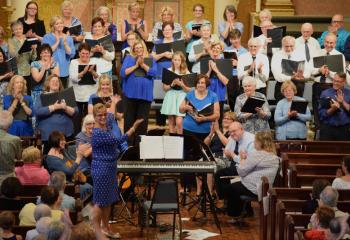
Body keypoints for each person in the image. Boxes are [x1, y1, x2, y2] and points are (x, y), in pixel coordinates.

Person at [91, 103, 143, 240]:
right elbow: (119, 140)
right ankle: (96, 230)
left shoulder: (106, 124)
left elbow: (110, 116)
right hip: (101, 168)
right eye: (99, 115)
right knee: (99, 201)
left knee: (107, 201)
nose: (103, 117)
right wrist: (133, 127)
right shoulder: (98, 133)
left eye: (104, 114)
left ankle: (105, 228)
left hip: (110, 167)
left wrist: (112, 104)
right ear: (94, 117)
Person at [224, 131, 279, 222]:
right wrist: (245, 159)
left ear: (260, 142)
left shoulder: (258, 154)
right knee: (234, 184)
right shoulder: (273, 155)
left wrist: (242, 159)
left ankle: (236, 215)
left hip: (255, 188)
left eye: (255, 141)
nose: (254, 143)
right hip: (263, 187)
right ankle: (243, 211)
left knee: (230, 188)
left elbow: (241, 171)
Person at [120, 40, 157, 145]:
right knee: (129, 121)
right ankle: (128, 146)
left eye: (140, 47)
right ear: (133, 50)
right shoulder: (129, 58)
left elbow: (154, 73)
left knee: (142, 122)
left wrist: (143, 65)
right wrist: (136, 66)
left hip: (145, 95)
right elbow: (123, 73)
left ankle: (140, 147)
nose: (139, 50)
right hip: (130, 95)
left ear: (144, 48)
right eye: (136, 48)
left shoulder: (150, 59)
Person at [34, 74, 78, 154]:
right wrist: (54, 107)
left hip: (66, 134)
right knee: (49, 159)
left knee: (68, 158)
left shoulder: (67, 95)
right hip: (48, 136)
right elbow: (37, 112)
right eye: (53, 81)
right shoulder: (41, 97)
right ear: (48, 84)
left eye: (57, 81)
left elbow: (75, 112)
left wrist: (65, 107)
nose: (55, 82)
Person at [311, 34, 346, 129]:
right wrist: (319, 70)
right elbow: (310, 71)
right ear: (323, 42)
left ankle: (328, 132)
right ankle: (319, 132)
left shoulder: (340, 55)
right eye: (327, 42)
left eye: (331, 43)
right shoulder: (316, 53)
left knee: (331, 110)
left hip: (331, 86)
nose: (329, 44)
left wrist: (329, 72)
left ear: (335, 43)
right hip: (317, 85)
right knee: (317, 110)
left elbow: (341, 75)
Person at [214, 121, 255, 200]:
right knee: (219, 174)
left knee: (221, 175)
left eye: (234, 131)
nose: (232, 134)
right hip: (235, 164)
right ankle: (225, 199)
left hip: (247, 169)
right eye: (230, 132)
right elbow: (226, 152)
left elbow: (249, 162)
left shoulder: (251, 141)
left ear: (241, 129)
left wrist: (233, 155)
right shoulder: (234, 137)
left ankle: (228, 200)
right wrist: (231, 155)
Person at [69, 42, 99, 130]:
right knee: (76, 119)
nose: (85, 55)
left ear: (90, 53)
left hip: (90, 95)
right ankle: (77, 139)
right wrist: (83, 72)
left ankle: (89, 138)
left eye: (87, 53)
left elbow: (98, 77)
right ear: (79, 53)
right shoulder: (73, 62)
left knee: (89, 119)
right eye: (82, 53)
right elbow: (73, 78)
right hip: (77, 95)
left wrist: (93, 72)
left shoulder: (94, 62)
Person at [271, 36, 310, 101]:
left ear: (295, 45)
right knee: (282, 108)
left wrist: (302, 76)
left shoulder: (301, 55)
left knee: (296, 109)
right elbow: (277, 75)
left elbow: (308, 71)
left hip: (297, 86)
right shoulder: (276, 55)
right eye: (286, 46)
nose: (289, 49)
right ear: (282, 45)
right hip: (282, 86)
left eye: (291, 46)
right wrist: (291, 77)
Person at [160, 51, 191, 134]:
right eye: (175, 59)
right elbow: (165, 88)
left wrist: (182, 85)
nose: (176, 62)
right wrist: (172, 84)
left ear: (182, 61)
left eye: (178, 60)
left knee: (179, 122)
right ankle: (172, 141)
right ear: (172, 60)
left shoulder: (186, 72)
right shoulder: (168, 71)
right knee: (171, 122)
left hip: (181, 96)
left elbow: (189, 90)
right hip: (171, 95)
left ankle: (180, 140)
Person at [43, 16, 75, 88]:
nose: (60, 25)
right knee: (52, 93)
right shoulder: (47, 37)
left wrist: (65, 44)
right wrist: (57, 41)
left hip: (64, 70)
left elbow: (71, 54)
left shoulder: (68, 38)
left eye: (61, 23)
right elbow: (46, 52)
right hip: (51, 70)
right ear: (53, 26)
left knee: (63, 93)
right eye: (57, 23)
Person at [318, 72, 350, 140]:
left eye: (338, 81)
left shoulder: (349, 93)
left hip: (344, 130)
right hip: (327, 129)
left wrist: (343, 102)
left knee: (345, 150)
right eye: (334, 80)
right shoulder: (325, 93)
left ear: (344, 82)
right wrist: (333, 109)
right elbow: (321, 114)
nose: (335, 83)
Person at [8, 20, 37, 92]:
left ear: (23, 29)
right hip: (17, 71)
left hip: (27, 70)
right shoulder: (10, 41)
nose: (18, 31)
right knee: (18, 93)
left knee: (27, 93)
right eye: (16, 29)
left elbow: (33, 58)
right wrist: (22, 49)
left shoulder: (27, 40)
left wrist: (34, 49)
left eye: (20, 28)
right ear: (13, 31)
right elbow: (13, 57)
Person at [30, 44, 60, 112]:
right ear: (40, 54)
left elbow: (56, 79)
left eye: (48, 52)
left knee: (50, 112)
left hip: (50, 92)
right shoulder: (34, 64)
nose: (46, 54)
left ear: (51, 54)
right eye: (44, 52)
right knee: (37, 113)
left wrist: (51, 66)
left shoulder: (55, 64)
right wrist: (44, 67)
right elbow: (37, 79)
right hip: (37, 94)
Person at [224, 29, 248, 110]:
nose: (235, 41)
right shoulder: (226, 50)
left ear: (240, 38)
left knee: (241, 97)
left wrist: (238, 64)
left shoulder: (245, 51)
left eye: (237, 38)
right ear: (230, 40)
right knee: (231, 97)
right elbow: (222, 64)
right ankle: (233, 114)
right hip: (230, 76)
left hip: (241, 76)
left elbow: (248, 67)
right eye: (233, 39)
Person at [206, 41, 229, 121]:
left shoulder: (225, 62)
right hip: (208, 90)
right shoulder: (206, 61)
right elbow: (203, 82)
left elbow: (225, 82)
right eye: (214, 48)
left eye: (218, 48)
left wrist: (215, 70)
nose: (215, 49)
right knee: (208, 114)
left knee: (218, 115)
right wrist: (209, 71)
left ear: (221, 50)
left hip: (219, 90)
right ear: (211, 49)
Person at [0, 111, 22, 185]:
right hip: (9, 181)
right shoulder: (15, 139)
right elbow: (19, 157)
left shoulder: (15, 139)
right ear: (10, 124)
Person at [75, 114, 94, 185]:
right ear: (84, 125)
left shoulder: (96, 135)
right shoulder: (80, 137)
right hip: (85, 169)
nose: (92, 126)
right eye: (89, 124)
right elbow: (86, 154)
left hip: (96, 166)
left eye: (93, 123)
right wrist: (96, 143)